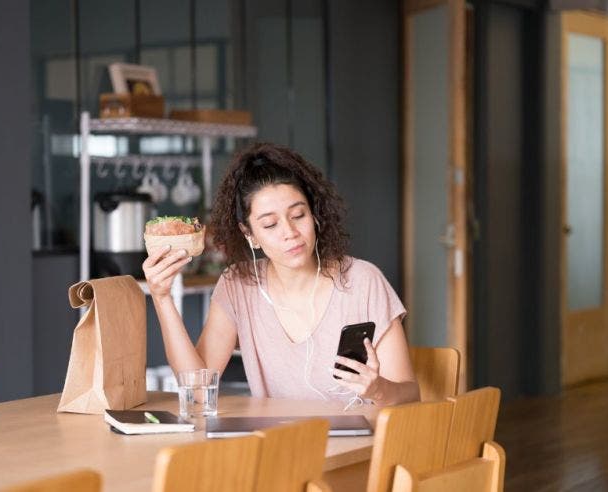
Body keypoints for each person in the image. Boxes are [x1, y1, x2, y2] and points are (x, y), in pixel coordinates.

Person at [142, 142, 420, 407]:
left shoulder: (363, 281)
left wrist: (378, 389)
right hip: (282, 446)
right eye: (270, 224)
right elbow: (198, 391)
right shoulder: (237, 284)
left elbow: (410, 393)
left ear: (314, 215)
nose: (290, 233)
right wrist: (162, 297)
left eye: (298, 215)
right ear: (250, 234)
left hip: (357, 450)